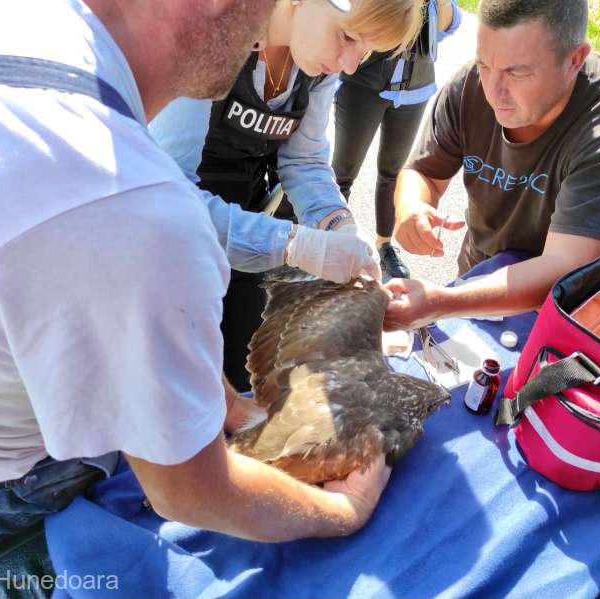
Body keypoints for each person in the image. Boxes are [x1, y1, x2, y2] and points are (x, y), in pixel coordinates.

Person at [0, 0, 392, 575]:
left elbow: (139, 327)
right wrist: (343, 510)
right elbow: (191, 492)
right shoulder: (138, 212)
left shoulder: (3, 20)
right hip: (3, 484)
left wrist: (229, 406)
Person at [150, 0, 424, 390]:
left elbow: (305, 160)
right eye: (346, 36)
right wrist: (292, 243)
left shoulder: (316, 66)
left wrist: (339, 226)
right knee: (182, 385)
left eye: (364, 52)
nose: (348, 65)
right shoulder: (211, 38)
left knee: (239, 365)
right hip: (177, 245)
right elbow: (171, 201)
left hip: (252, 223)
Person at [383, 0, 600, 331]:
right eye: (484, 65)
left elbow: (566, 266)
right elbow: (424, 172)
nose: (494, 91)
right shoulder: (469, 86)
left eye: (517, 72)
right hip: (482, 278)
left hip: (574, 309)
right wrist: (411, 208)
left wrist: (442, 302)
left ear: (574, 59)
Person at [332, 0, 461, 282]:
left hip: (415, 91)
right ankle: (332, 243)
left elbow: (452, 23)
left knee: (393, 174)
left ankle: (384, 245)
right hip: (363, 87)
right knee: (342, 173)